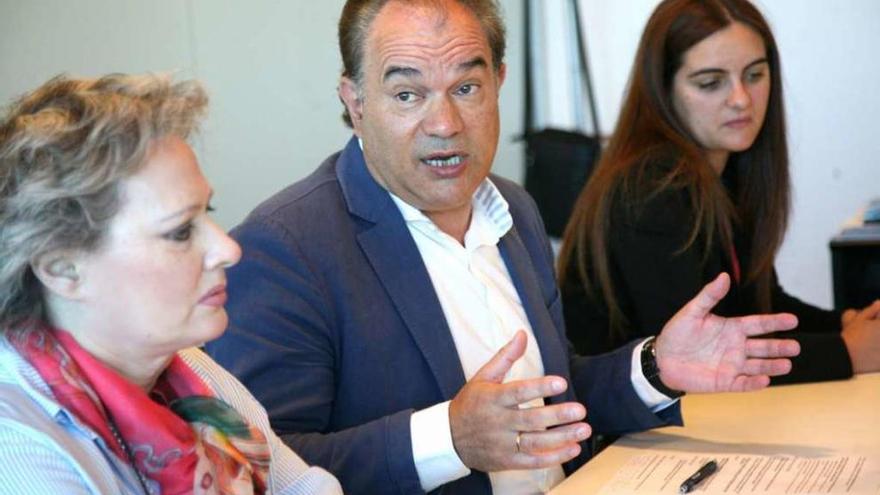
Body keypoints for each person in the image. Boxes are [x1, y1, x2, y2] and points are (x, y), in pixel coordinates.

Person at [205, 1, 800, 493]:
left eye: (466, 86)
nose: (445, 123)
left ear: (498, 85)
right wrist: (450, 439)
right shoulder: (285, 245)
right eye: (408, 95)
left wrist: (653, 368)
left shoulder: (513, 207)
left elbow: (551, 394)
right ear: (355, 103)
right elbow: (260, 472)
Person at [0, 74, 342, 494]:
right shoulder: (17, 451)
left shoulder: (188, 369)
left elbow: (305, 488)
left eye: (207, 212)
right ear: (63, 270)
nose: (227, 249)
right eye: (180, 231)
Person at [558, 0, 880, 384]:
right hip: (625, 436)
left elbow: (759, 304)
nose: (741, 98)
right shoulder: (649, 187)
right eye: (711, 83)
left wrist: (844, 323)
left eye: (755, 75)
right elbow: (700, 354)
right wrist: (845, 351)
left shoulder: (726, 166)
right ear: (664, 90)